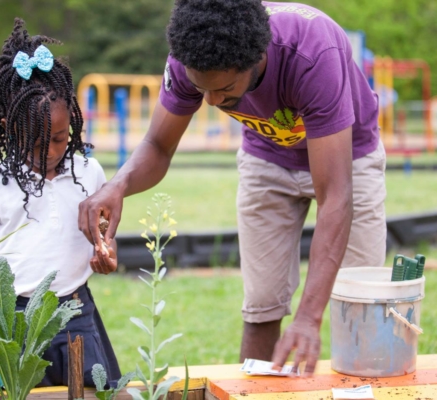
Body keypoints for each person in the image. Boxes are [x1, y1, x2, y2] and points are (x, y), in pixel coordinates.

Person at [78, 0, 386, 376]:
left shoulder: (312, 51)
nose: (210, 101)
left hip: (349, 157)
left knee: (361, 301)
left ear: (257, 56)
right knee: (262, 304)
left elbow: (335, 196)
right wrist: (117, 185)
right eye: (200, 88)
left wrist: (308, 318)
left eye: (224, 89)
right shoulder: (189, 56)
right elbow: (158, 147)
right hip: (267, 157)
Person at [0, 18, 121, 389]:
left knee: (90, 393)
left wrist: (106, 254)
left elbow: (104, 240)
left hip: (75, 313)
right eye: (36, 143)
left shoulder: (89, 173)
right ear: (9, 125)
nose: (50, 151)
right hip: (12, 322)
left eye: (60, 139)